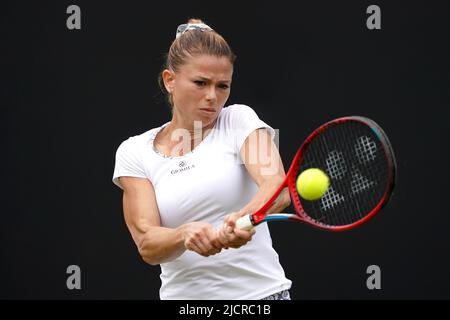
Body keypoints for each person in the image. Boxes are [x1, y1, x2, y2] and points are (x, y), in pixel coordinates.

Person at [112, 18, 292, 300]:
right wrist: (184, 235)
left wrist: (246, 218)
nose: (212, 96)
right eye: (200, 83)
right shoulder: (133, 152)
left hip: (261, 297)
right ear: (169, 80)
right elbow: (147, 243)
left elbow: (278, 186)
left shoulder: (239, 119)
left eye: (223, 86)